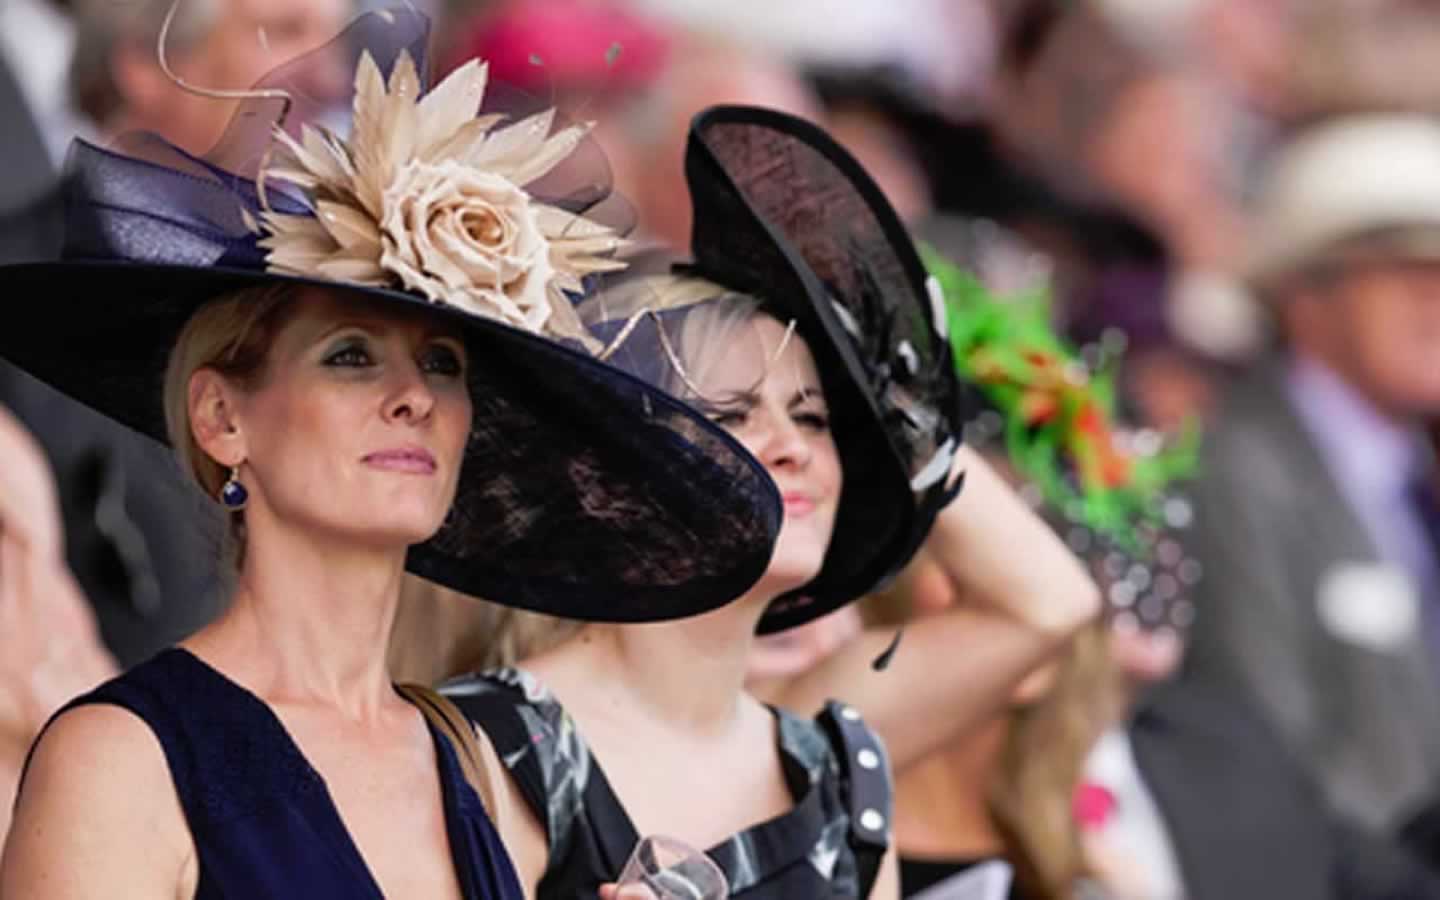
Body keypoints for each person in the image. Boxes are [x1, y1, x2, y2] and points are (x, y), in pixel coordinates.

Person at [0, 10, 785, 896]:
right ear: (221, 418)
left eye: (443, 363)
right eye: (350, 356)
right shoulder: (121, 761)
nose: (415, 396)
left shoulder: (474, 763)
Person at [443, 104, 1099, 899]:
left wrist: (889, 397)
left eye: (814, 417)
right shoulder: (485, 748)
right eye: (731, 416)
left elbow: (1058, 605)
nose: (794, 447)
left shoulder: (842, 774)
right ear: (604, 481)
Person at [1181, 114, 1440, 834]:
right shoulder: (1236, 478)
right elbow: (1264, 747)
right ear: (1304, 296)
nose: (1436, 301)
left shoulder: (1412, 477)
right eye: (1406, 272)